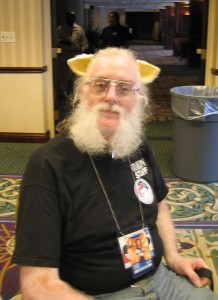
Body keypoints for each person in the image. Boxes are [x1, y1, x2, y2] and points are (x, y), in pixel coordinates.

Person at [12, 47, 217, 300]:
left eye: (124, 88)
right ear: (81, 92)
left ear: (139, 99)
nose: (111, 96)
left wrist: (173, 257)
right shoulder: (48, 165)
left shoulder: (137, 144)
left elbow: (159, 205)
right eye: (100, 85)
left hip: (160, 278)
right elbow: (38, 285)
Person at [56, 11, 88, 120]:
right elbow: (55, 41)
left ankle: (76, 95)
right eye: (70, 16)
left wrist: (83, 49)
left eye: (74, 17)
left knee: (76, 75)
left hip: (76, 54)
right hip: (65, 54)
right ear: (66, 17)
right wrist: (63, 42)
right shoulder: (60, 29)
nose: (72, 18)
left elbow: (84, 42)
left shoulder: (78, 29)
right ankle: (63, 94)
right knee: (64, 74)